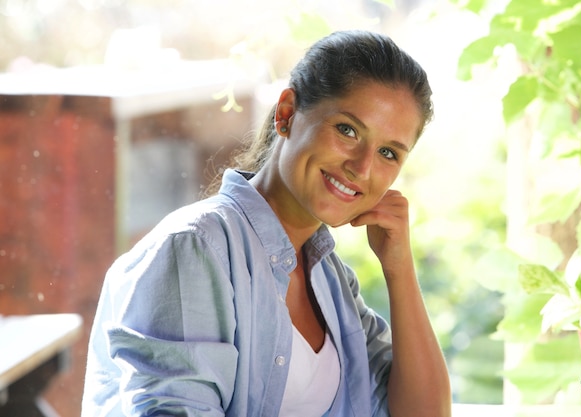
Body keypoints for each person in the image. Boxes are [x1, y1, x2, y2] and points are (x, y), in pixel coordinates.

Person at [82, 30, 451, 417]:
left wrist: (399, 267)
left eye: (388, 153)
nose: (362, 168)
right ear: (287, 113)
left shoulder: (331, 281)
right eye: (347, 130)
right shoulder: (194, 249)